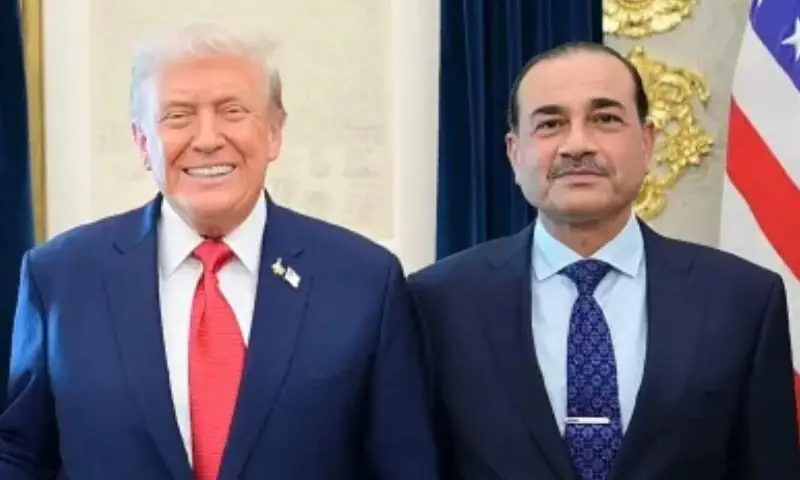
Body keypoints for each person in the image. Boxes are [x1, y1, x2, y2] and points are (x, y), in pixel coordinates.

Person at [0, 24, 439, 480]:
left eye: (232, 111)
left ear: (274, 133)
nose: (207, 138)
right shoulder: (60, 277)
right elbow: (20, 452)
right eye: (178, 116)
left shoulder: (364, 282)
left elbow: (404, 465)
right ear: (143, 143)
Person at [409, 41, 800, 479]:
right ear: (514, 153)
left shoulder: (742, 300)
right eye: (551, 123)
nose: (577, 145)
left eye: (605, 119)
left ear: (647, 143)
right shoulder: (435, 302)